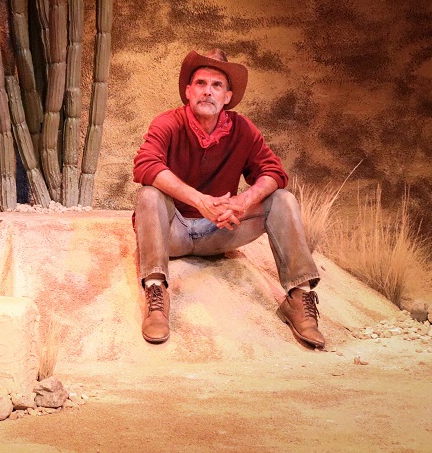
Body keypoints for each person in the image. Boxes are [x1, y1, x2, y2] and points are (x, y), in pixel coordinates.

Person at [133, 49, 325, 349]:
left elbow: (273, 171)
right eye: (200, 83)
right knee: (148, 194)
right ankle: (157, 296)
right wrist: (200, 201)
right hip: (173, 233)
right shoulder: (167, 123)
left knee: (282, 199)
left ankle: (299, 298)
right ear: (188, 91)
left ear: (227, 96)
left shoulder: (242, 129)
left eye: (217, 85)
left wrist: (243, 202)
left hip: (221, 230)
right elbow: (145, 165)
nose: (207, 91)